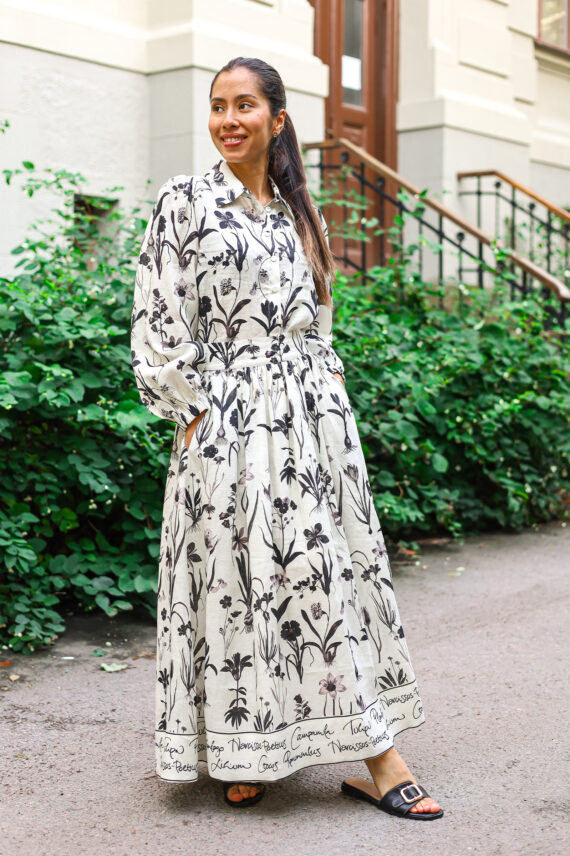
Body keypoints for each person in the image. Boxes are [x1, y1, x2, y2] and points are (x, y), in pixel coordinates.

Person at [130, 56, 443, 820]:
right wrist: (194, 413)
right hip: (227, 426)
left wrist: (326, 400)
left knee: (320, 573)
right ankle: (248, 750)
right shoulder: (185, 202)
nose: (228, 119)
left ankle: (380, 759)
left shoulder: (302, 214)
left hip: (312, 426)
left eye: (244, 105)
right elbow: (156, 319)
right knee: (241, 587)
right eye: (218, 105)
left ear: (277, 120)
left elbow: (319, 326)